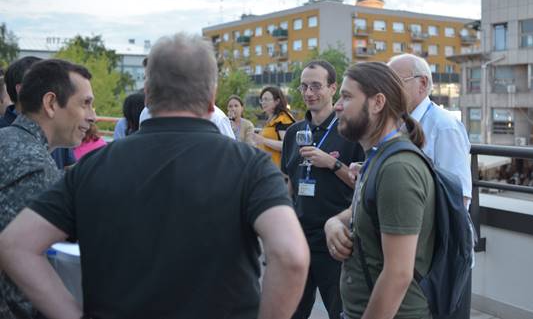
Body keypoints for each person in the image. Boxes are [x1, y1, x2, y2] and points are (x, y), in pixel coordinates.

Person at [0, 33, 310, 319]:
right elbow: (291, 255)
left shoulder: (93, 167)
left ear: (148, 94)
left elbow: (16, 245)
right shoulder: (251, 166)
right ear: (211, 96)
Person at [324, 61, 435, 319]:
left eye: (346, 97)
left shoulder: (398, 169)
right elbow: (359, 210)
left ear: (377, 103)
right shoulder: (377, 159)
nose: (337, 106)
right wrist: (333, 223)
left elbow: (398, 274)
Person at [0, 59, 96, 319]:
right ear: (51, 104)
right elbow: (16, 282)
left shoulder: (7, 139)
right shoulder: (36, 167)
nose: (93, 116)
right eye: (85, 103)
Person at [389, 53, 472, 319]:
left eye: (396, 81)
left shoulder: (444, 126)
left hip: (437, 254)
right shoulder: (398, 124)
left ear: (423, 84)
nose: (388, 89)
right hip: (410, 249)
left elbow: (459, 198)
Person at [281, 60, 365, 319]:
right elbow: (289, 183)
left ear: (332, 88)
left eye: (316, 86)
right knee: (292, 312)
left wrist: (332, 163)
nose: (309, 93)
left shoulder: (350, 132)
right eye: (304, 87)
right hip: (300, 240)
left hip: (336, 241)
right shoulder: (295, 132)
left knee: (339, 312)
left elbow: (364, 186)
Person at [0, 56, 77, 169]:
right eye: (45, 85)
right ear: (21, 90)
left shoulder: (56, 127)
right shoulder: (2, 132)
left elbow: (69, 172)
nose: (54, 92)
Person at [253, 85, 295, 167]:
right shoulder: (271, 118)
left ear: (277, 101)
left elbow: (287, 145)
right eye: (262, 100)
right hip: (266, 167)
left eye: (266, 99)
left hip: (279, 171)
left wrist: (263, 140)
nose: (263, 102)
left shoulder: (283, 118)